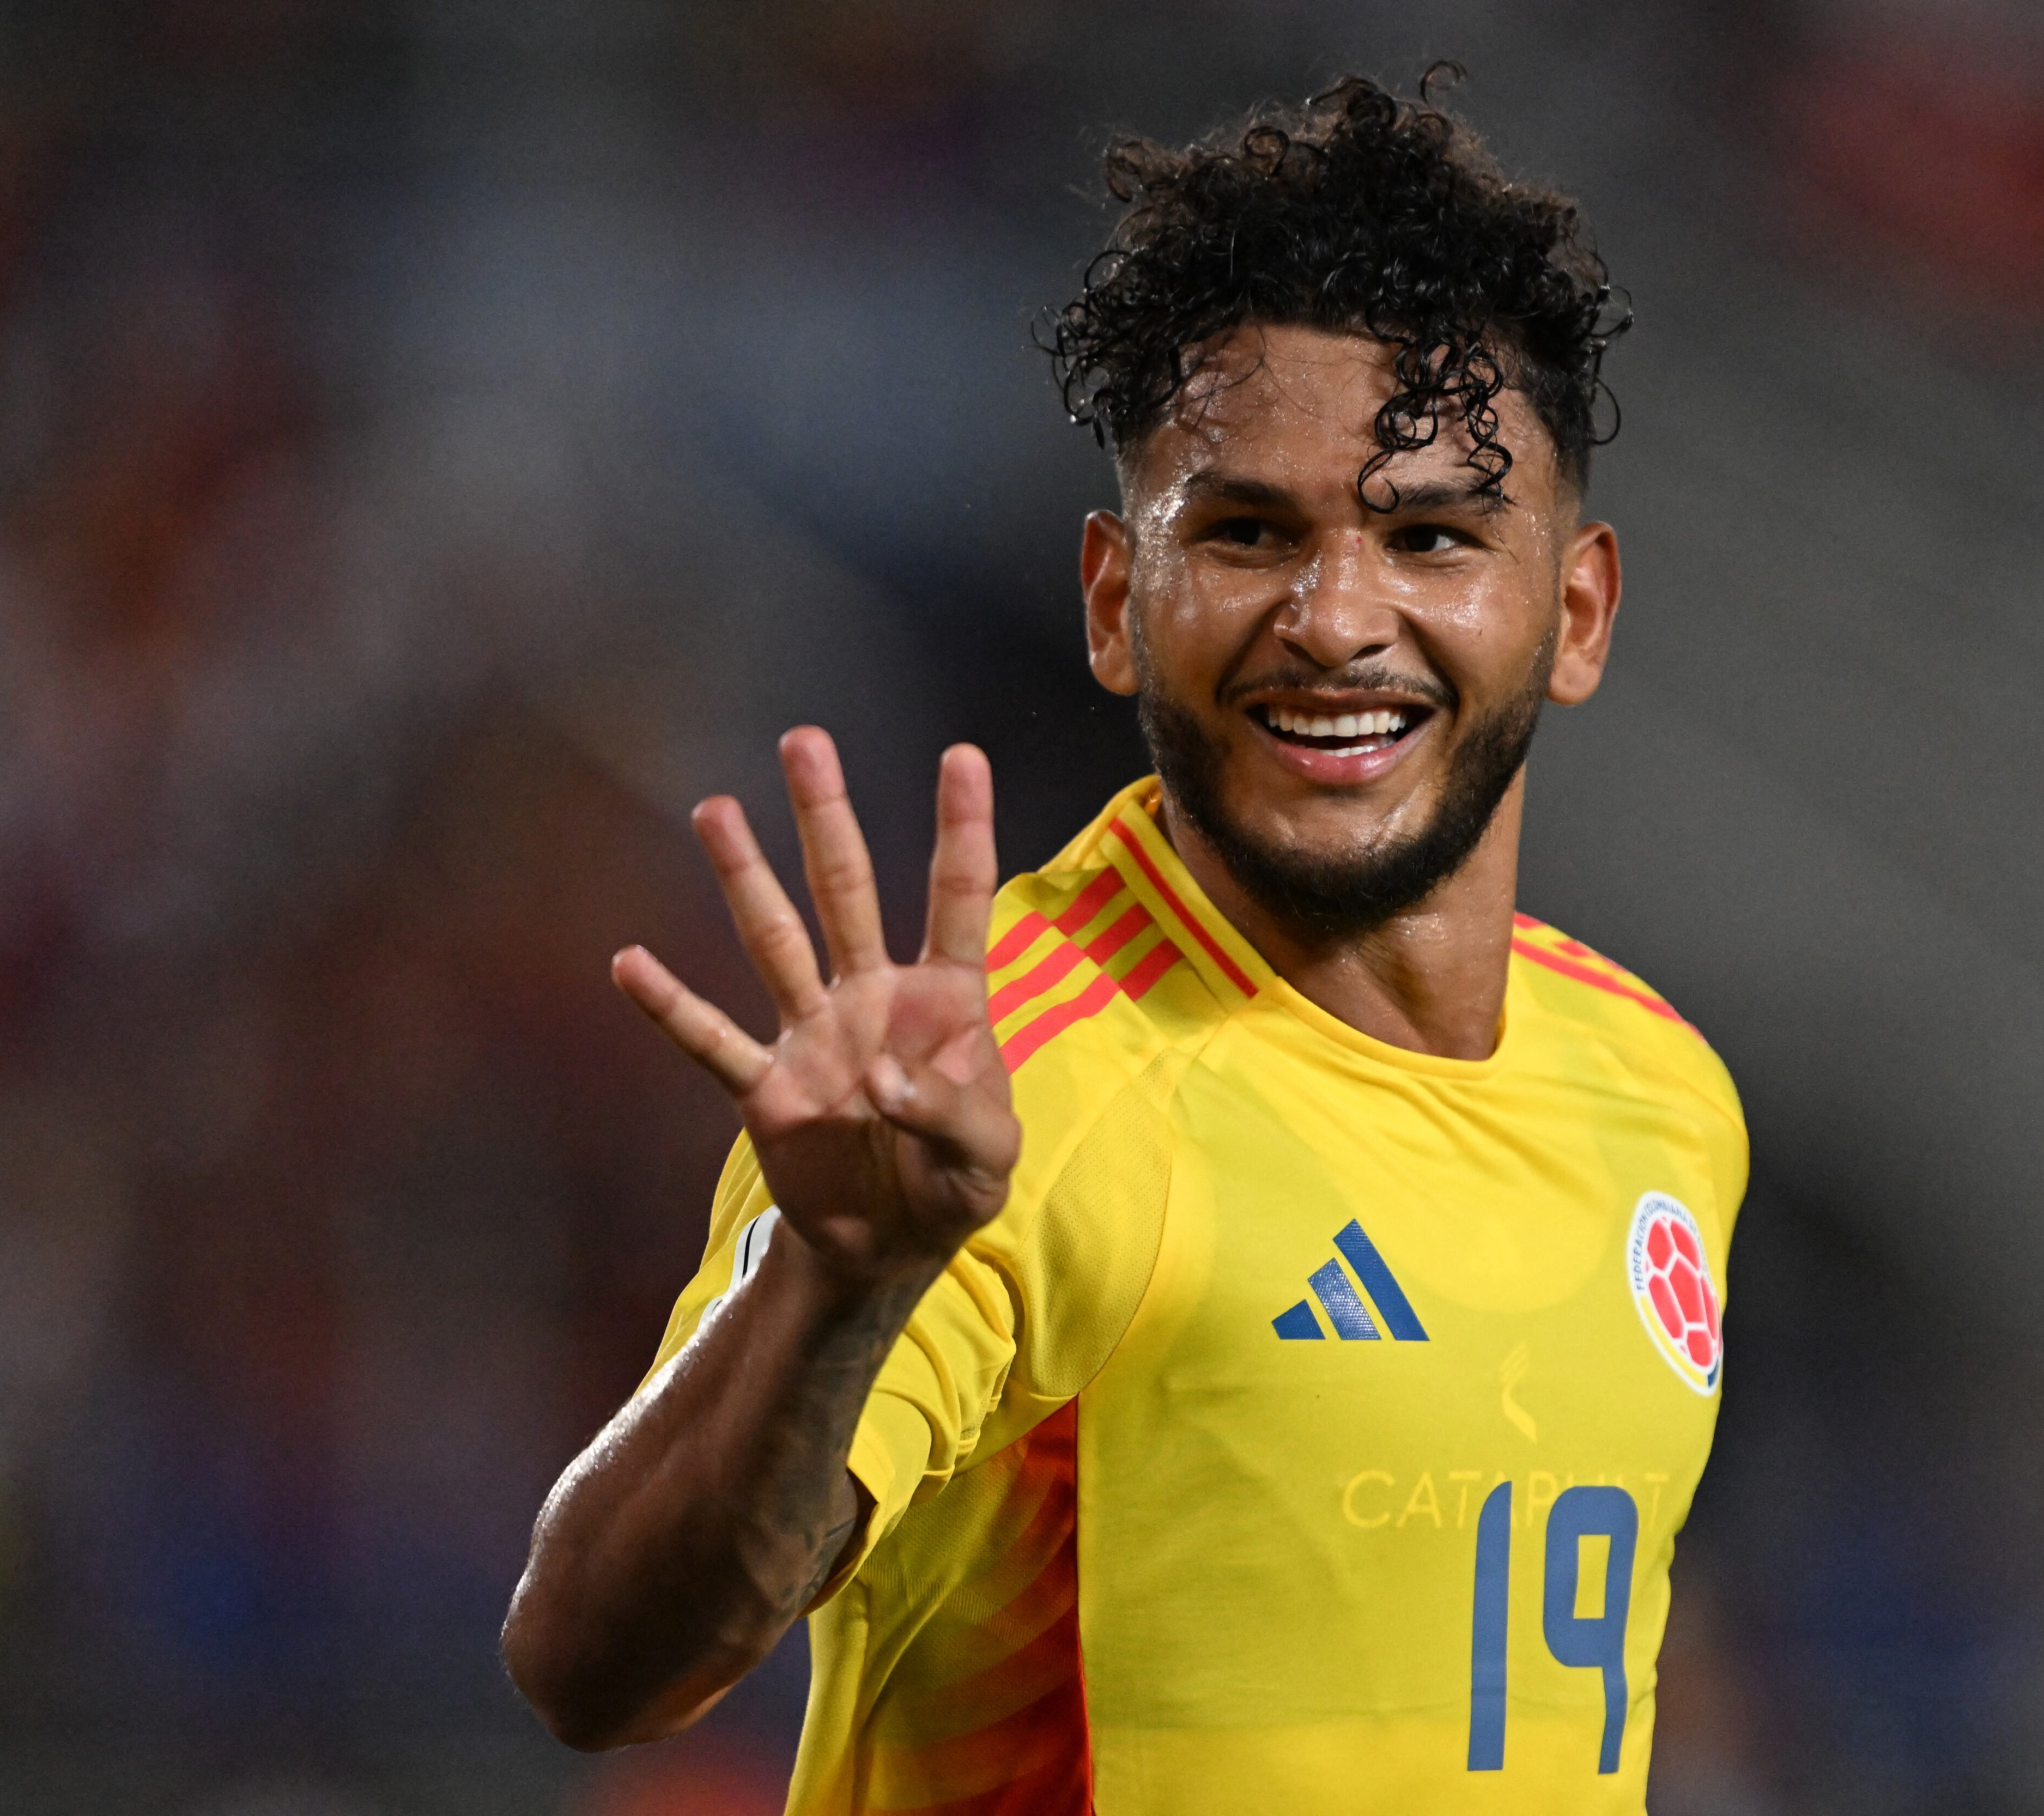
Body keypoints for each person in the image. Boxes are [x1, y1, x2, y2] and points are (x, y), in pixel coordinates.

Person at [502, 71, 1746, 1813]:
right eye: (1247, 534)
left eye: (1431, 537)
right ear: (1114, 602)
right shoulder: (1007, 1084)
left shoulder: (1660, 1094)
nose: (1337, 619)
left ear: (1579, 609)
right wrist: (836, 1285)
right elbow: (595, 1662)